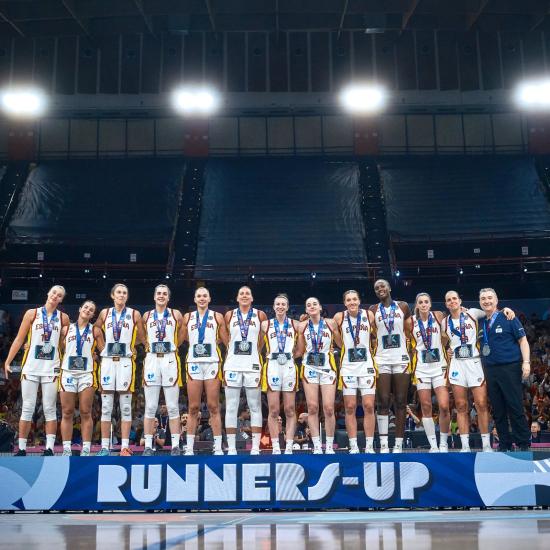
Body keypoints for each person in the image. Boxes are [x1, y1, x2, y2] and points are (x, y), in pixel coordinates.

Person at [4, 285, 70, 456]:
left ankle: (49, 448)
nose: (55, 296)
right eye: (54, 292)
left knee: (49, 408)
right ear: (48, 293)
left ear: (61, 299)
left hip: (51, 367)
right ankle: (22, 448)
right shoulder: (32, 314)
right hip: (31, 366)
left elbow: (64, 345)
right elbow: (19, 338)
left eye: (59, 295)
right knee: (27, 407)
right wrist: (8, 361)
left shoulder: (64, 318)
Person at [95, 283, 146, 456]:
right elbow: (95, 329)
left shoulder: (134, 313)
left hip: (125, 362)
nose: (122, 295)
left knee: (125, 407)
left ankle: (124, 446)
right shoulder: (105, 313)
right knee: (106, 407)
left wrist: (132, 346)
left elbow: (143, 337)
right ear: (112, 295)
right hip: (108, 362)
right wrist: (101, 347)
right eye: (119, 292)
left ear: (127, 296)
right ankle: (104, 447)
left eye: (125, 292)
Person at [478, 288, 531, 451]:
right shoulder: (481, 322)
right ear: (480, 302)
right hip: (490, 370)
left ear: (496, 300)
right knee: (498, 409)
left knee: (515, 406)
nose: (486, 301)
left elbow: (523, 340)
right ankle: (504, 443)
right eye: (483, 298)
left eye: (489, 298)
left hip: (509, 367)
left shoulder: (508, 316)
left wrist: (526, 362)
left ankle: (523, 443)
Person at [443, 290, 492, 452]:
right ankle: (465, 446)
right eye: (449, 300)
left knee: (481, 404)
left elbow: (490, 310)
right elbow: (442, 343)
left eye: (454, 298)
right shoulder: (444, 322)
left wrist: (506, 310)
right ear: (446, 304)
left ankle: (486, 445)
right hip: (457, 364)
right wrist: (447, 350)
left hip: (474, 362)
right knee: (461, 405)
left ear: (460, 300)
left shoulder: (472, 313)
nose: (452, 301)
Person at [182, 287, 228, 456]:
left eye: (204, 296)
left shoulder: (217, 316)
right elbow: (184, 337)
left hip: (212, 363)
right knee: (193, 407)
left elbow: (225, 339)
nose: (202, 298)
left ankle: (218, 446)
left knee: (213, 406)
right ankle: (189, 447)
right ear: (195, 299)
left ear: (209, 299)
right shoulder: (188, 317)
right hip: (194, 362)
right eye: (199, 296)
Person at [369, 279, 412, 453]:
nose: (380, 289)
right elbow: (370, 333)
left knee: (401, 402)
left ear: (389, 288)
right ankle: (384, 444)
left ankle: (398, 444)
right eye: (376, 288)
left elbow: (410, 330)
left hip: (401, 358)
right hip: (381, 359)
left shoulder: (403, 306)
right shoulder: (372, 310)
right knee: (383, 402)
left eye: (383, 286)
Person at [141, 284, 184, 456]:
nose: (161, 296)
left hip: (169, 359)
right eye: (158, 293)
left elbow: (182, 332)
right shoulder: (146, 315)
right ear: (154, 296)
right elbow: (141, 333)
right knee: (150, 406)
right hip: (152, 359)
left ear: (168, 297)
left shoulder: (176, 314)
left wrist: (175, 346)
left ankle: (175, 445)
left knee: (172, 406)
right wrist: (146, 344)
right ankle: (148, 446)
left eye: (164, 294)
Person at [223, 286, 267, 455]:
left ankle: (255, 447)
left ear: (252, 298)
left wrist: (254, 351)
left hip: (252, 365)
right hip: (232, 365)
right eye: (241, 293)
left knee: (255, 406)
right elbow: (226, 338)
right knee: (231, 407)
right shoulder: (229, 315)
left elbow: (262, 340)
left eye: (247, 293)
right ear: (237, 297)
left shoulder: (260, 315)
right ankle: (232, 447)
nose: (244, 296)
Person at [296, 297, 342, 454]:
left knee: (328, 408)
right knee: (312, 407)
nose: (312, 306)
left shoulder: (331, 323)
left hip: (327, 368)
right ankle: (316, 445)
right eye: (308, 305)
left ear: (320, 307)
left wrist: (334, 347)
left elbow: (340, 344)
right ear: (306, 309)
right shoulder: (302, 326)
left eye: (314, 304)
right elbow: (300, 350)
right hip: (310, 368)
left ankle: (329, 445)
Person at [59, 300, 104, 456]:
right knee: (67, 411)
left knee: (85, 411)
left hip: (86, 373)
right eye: (86, 307)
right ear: (79, 309)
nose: (88, 310)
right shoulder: (66, 329)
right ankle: (66, 449)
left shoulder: (95, 331)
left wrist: (97, 357)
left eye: (91, 310)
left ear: (93, 315)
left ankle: (86, 448)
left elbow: (103, 351)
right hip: (68, 372)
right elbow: (58, 348)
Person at [333, 290, 377, 454]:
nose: (352, 302)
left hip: (366, 365)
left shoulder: (369, 315)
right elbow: (338, 341)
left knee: (369, 406)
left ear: (359, 301)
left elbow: (375, 336)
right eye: (348, 300)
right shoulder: (339, 317)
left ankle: (369, 445)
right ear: (345, 303)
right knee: (350, 407)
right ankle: (353, 445)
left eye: (354, 299)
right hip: (348, 366)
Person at [410, 292, 450, 452]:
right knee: (426, 406)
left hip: (439, 367)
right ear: (417, 305)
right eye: (420, 302)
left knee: (444, 405)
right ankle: (433, 444)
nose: (424, 304)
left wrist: (448, 347)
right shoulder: (410, 322)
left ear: (430, 304)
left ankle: (444, 443)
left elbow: (448, 332)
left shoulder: (438, 315)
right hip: (421, 368)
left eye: (426, 301)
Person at [261, 294, 299, 454]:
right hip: (273, 365)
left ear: (287, 307)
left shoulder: (296, 324)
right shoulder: (265, 324)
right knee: (273, 410)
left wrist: (291, 356)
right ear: (273, 306)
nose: (280, 307)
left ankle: (289, 445)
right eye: (278, 304)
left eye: (283, 304)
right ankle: (276, 446)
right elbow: (259, 345)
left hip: (288, 365)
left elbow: (301, 347)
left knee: (290, 409)